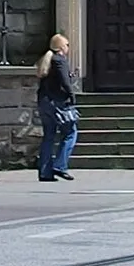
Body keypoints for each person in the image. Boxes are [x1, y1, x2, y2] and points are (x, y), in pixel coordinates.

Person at [36, 34, 78, 183]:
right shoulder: (60, 60)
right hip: (57, 102)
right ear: (61, 47)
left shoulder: (47, 60)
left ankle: (45, 172)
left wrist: (70, 76)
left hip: (44, 102)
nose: (68, 47)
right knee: (70, 133)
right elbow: (64, 81)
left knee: (49, 136)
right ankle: (60, 166)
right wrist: (72, 95)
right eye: (67, 44)